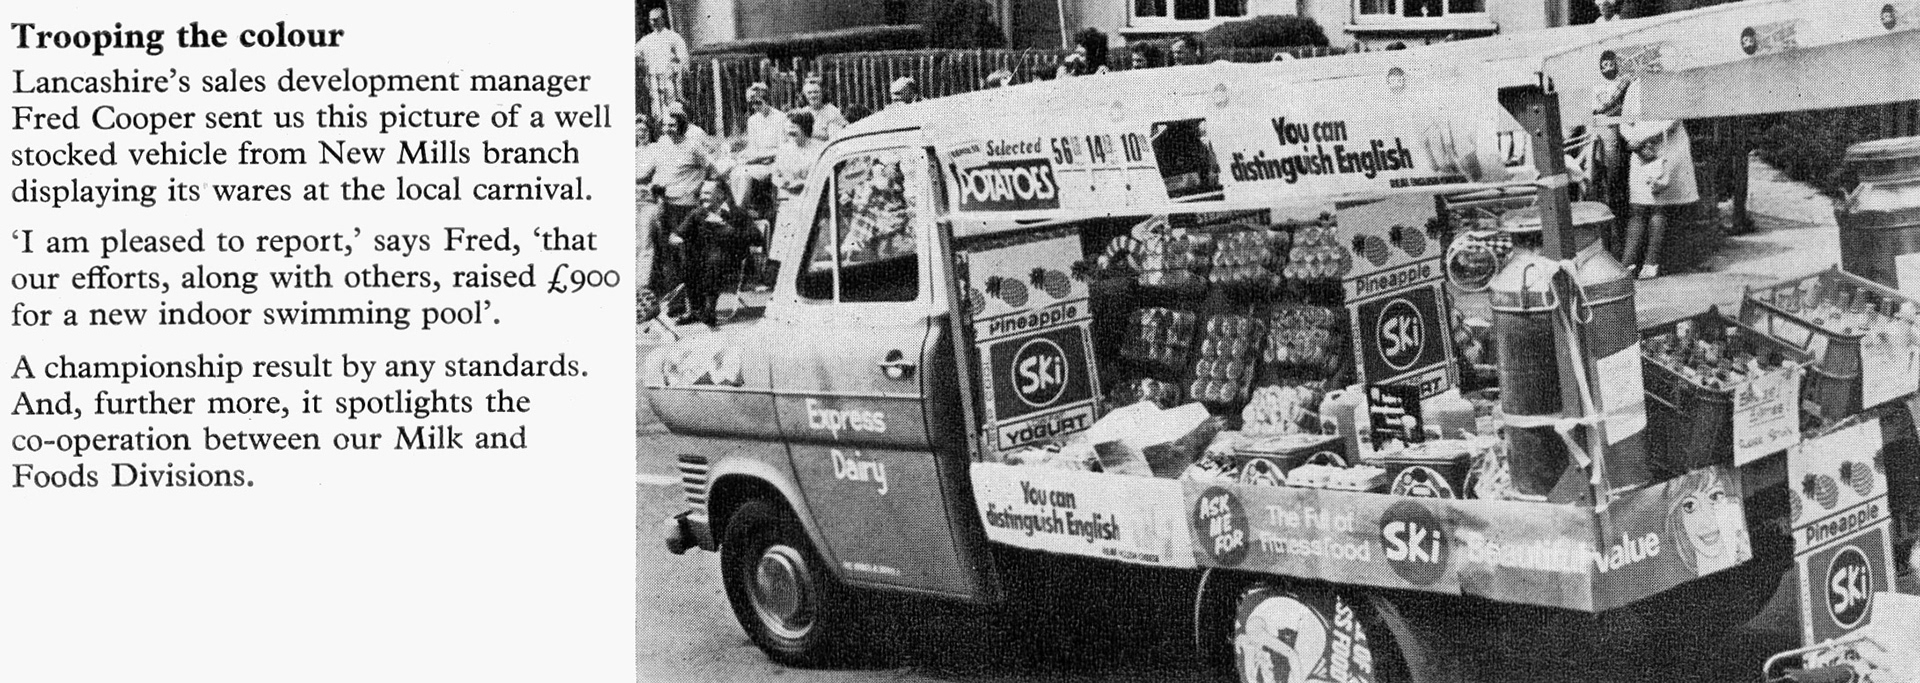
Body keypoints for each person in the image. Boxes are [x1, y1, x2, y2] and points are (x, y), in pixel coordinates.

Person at [1620, 84, 1699, 280]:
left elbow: (1673, 119)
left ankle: (1651, 262)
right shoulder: (1635, 86)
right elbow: (1625, 120)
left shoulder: (1671, 82)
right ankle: (1627, 264)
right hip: (1640, 151)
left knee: (1658, 206)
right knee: (1637, 207)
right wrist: (1632, 141)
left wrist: (1645, 139)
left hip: (1666, 146)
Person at [643, 103, 714, 295]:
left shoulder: (693, 146)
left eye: (672, 125)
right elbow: (654, 171)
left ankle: (696, 306)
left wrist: (698, 186)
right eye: (665, 125)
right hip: (667, 206)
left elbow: (713, 170)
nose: (667, 129)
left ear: (681, 126)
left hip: (688, 209)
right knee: (671, 257)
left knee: (689, 257)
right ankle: (677, 303)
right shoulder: (663, 144)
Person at [670, 180, 758, 328]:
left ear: (721, 195)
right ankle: (696, 310)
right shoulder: (698, 213)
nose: (702, 197)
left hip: (731, 260)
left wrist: (727, 228)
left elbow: (756, 238)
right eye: (702, 193)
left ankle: (709, 310)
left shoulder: (737, 213)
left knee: (715, 258)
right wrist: (678, 240)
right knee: (688, 259)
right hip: (703, 261)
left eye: (707, 193)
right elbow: (676, 235)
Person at [728, 83, 784, 220]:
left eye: (759, 103)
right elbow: (752, 147)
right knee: (734, 171)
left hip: (773, 163)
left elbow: (783, 149)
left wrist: (758, 157)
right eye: (752, 104)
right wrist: (743, 155)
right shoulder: (753, 120)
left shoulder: (780, 118)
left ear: (766, 100)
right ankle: (738, 207)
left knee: (744, 174)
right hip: (757, 162)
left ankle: (739, 211)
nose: (755, 107)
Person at [635, 8, 689, 119]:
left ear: (663, 19)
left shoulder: (674, 37)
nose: (653, 23)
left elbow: (683, 59)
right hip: (654, 79)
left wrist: (680, 75)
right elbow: (635, 53)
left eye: (656, 19)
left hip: (670, 79)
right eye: (651, 20)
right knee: (657, 109)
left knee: (673, 107)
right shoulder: (646, 40)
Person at [798, 79, 847, 143]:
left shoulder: (832, 111)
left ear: (822, 93)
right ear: (804, 96)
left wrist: (809, 133)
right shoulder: (802, 113)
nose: (813, 95)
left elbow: (836, 136)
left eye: (816, 92)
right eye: (809, 93)